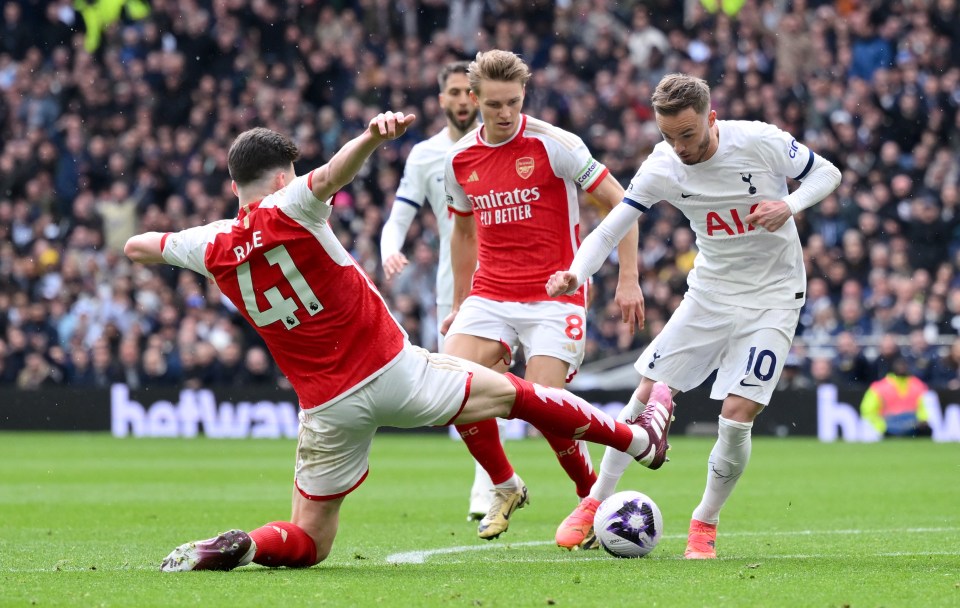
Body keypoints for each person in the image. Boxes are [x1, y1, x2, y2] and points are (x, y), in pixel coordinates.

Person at [123, 113, 673, 572]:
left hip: (326, 408)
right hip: (393, 372)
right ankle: (638, 442)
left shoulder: (208, 244)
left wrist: (185, 241)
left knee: (309, 541)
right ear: (278, 181)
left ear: (234, 185)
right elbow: (332, 174)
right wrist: (370, 137)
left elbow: (137, 246)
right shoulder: (292, 205)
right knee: (517, 395)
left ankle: (247, 545)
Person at [546, 73, 841, 557]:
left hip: (774, 296)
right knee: (643, 394)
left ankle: (704, 522)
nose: (680, 146)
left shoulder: (759, 140)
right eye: (669, 136)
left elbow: (829, 172)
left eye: (689, 134)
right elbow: (608, 229)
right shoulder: (663, 166)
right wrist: (576, 275)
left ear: (712, 117)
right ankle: (595, 503)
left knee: (736, 417)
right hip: (709, 294)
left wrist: (788, 205)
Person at [442, 50, 644, 542]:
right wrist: (456, 304)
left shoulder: (556, 145)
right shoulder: (460, 159)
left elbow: (623, 203)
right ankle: (506, 485)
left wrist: (628, 277)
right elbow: (464, 236)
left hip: (556, 292)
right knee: (451, 388)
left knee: (548, 409)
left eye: (513, 102)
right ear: (475, 100)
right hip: (490, 293)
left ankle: (588, 496)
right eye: (494, 105)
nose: (506, 113)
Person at [380, 61, 503, 521]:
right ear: (442, 99)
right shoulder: (426, 155)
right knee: (467, 390)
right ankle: (489, 484)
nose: (462, 100)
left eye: (468, 92)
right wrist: (390, 248)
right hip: (455, 290)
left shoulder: (505, 144)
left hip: (514, 282)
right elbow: (400, 214)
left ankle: (582, 489)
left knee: (533, 389)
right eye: (453, 91)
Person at [860, 353, 933, 437]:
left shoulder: (918, 385)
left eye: (903, 364)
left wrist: (922, 421)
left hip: (913, 426)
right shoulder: (879, 387)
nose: (901, 367)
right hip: (889, 425)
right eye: (899, 364)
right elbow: (868, 410)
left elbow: (924, 408)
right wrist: (882, 427)